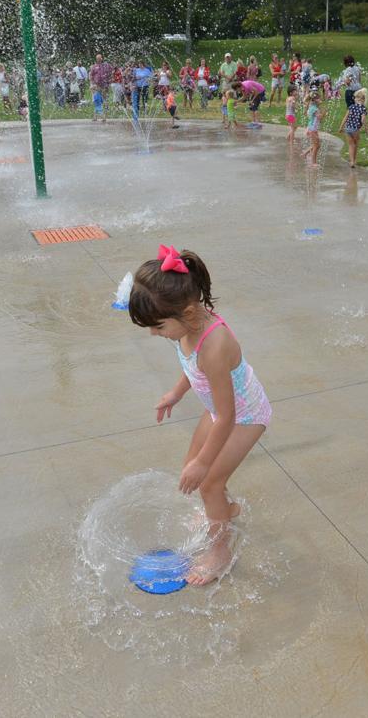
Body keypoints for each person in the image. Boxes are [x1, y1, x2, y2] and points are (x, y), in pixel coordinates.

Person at [127, 246, 271, 586]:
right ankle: (224, 509)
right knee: (193, 466)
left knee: (207, 481)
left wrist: (206, 465)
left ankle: (220, 550)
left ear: (188, 312)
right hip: (221, 409)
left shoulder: (214, 346)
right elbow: (194, 369)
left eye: (158, 326)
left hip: (245, 415)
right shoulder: (188, 326)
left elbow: (228, 416)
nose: (154, 334)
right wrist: (176, 392)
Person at [337, 88, 368, 168]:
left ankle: (351, 161)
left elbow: (345, 118)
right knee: (356, 144)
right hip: (355, 129)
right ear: (363, 100)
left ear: (355, 99)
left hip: (347, 128)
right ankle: (354, 160)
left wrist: (341, 127)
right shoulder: (363, 108)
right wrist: (366, 129)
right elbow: (363, 119)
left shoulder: (351, 107)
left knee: (351, 145)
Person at [300, 90, 324, 164]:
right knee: (316, 146)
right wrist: (324, 112)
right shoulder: (314, 109)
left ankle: (305, 153)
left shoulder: (312, 107)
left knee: (317, 145)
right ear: (315, 100)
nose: (321, 100)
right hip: (312, 129)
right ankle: (313, 163)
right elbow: (320, 118)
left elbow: (307, 115)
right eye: (319, 98)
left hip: (312, 129)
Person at [89, 54, 113, 122]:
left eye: (99, 58)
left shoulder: (106, 66)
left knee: (102, 101)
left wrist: (109, 81)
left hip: (104, 86)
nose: (98, 60)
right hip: (96, 86)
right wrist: (92, 85)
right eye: (97, 58)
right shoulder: (94, 66)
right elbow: (91, 76)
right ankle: (100, 116)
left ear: (102, 58)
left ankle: (99, 116)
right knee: (97, 100)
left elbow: (111, 72)